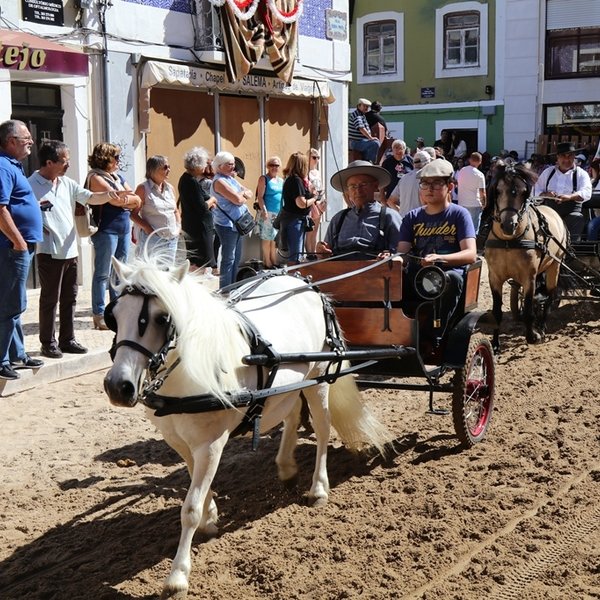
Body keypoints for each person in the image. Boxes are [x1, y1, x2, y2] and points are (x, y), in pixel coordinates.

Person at [29, 140, 127, 359]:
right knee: (50, 299)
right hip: (49, 251)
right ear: (49, 162)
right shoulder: (30, 185)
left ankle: (67, 339)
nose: (68, 165)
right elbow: (25, 213)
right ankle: (48, 342)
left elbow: (90, 197)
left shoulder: (66, 183)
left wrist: (109, 195)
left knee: (70, 298)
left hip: (70, 249)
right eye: (64, 161)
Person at [397, 159, 476, 327]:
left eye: (437, 183)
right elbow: (402, 253)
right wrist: (393, 259)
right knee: (392, 280)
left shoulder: (459, 215)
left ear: (451, 187)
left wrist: (439, 259)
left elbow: (470, 253)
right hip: (418, 276)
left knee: (450, 279)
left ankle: (438, 332)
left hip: (447, 275)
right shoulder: (412, 217)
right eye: (425, 184)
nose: (429, 189)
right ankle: (399, 329)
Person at [0, 120, 44, 380]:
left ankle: (18, 354)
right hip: (10, 248)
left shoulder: (12, 166)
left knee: (17, 302)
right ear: (11, 141)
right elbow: (0, 209)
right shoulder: (3, 166)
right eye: (26, 137)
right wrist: (18, 241)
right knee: (9, 304)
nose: (31, 141)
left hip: (18, 247)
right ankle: (2, 360)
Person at [86, 142, 141, 330]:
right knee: (102, 273)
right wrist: (125, 199)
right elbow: (116, 200)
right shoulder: (95, 177)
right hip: (106, 229)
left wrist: (126, 199)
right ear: (105, 158)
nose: (118, 161)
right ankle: (99, 313)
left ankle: (116, 309)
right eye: (115, 157)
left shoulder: (117, 176)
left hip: (123, 228)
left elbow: (136, 199)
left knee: (119, 271)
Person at [316, 160, 402, 258]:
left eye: (363, 184)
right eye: (353, 186)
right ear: (348, 191)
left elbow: (402, 254)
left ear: (375, 186)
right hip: (342, 272)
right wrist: (322, 250)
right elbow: (326, 252)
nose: (358, 190)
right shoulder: (339, 219)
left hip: (376, 271)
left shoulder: (389, 217)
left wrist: (391, 256)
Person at [211, 150, 253, 287]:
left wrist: (242, 195)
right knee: (228, 258)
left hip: (238, 224)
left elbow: (249, 192)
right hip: (227, 225)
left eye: (233, 164)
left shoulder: (230, 179)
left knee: (236, 258)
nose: (233, 167)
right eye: (229, 164)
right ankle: (225, 289)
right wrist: (241, 195)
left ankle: (234, 286)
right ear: (220, 166)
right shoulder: (219, 181)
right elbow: (238, 200)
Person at [533, 142, 592, 241]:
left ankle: (571, 250)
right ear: (557, 157)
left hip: (571, 213)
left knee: (577, 218)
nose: (566, 159)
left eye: (570, 156)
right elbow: (535, 191)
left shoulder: (581, 174)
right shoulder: (547, 173)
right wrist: (546, 194)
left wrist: (570, 197)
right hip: (549, 213)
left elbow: (586, 192)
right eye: (563, 156)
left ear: (574, 157)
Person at [131, 155, 181, 264]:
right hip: (152, 239)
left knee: (167, 272)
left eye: (169, 167)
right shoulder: (143, 189)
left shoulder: (170, 188)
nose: (169, 170)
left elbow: (175, 210)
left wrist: (178, 226)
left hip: (171, 238)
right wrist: (147, 228)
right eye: (165, 167)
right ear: (154, 169)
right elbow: (133, 214)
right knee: (150, 272)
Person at [278, 152, 325, 263]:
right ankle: (294, 277)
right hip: (295, 221)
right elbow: (301, 203)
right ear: (302, 165)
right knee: (296, 256)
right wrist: (315, 197)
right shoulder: (296, 180)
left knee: (296, 254)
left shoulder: (291, 179)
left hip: (293, 220)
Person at [177, 147, 216, 273]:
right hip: (198, 229)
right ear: (197, 165)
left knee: (197, 261)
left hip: (193, 226)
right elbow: (202, 207)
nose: (205, 166)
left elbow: (202, 197)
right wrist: (212, 200)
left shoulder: (187, 179)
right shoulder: (191, 182)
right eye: (204, 163)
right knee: (199, 263)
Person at [256, 155, 283, 268]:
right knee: (267, 238)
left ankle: (274, 259)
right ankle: (267, 261)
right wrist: (264, 210)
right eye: (272, 165)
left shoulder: (281, 180)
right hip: (268, 212)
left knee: (275, 238)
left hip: (279, 213)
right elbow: (260, 197)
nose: (274, 167)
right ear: (268, 166)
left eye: (276, 165)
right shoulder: (264, 179)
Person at [387, 150, 433, 216]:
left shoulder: (403, 178)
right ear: (427, 163)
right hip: (420, 221)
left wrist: (401, 212)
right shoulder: (427, 178)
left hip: (404, 220)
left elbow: (390, 201)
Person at [455, 152, 487, 232]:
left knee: (463, 228)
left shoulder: (462, 170)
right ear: (480, 161)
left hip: (462, 203)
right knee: (474, 229)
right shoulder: (480, 175)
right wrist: (484, 204)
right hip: (475, 204)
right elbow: (482, 192)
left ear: (470, 160)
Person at [305, 148, 327, 257]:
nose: (316, 160)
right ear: (308, 158)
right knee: (310, 229)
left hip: (319, 201)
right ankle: (309, 252)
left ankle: (313, 252)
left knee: (316, 230)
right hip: (311, 202)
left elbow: (320, 186)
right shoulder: (306, 172)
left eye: (318, 157)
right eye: (314, 157)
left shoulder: (317, 172)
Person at [348, 98, 380, 164]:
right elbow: (361, 128)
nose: (366, 108)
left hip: (360, 141)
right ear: (359, 106)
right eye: (364, 106)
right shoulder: (356, 115)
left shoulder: (362, 115)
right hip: (355, 142)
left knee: (375, 143)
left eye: (367, 106)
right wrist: (370, 138)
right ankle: (368, 162)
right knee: (375, 143)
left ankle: (366, 160)